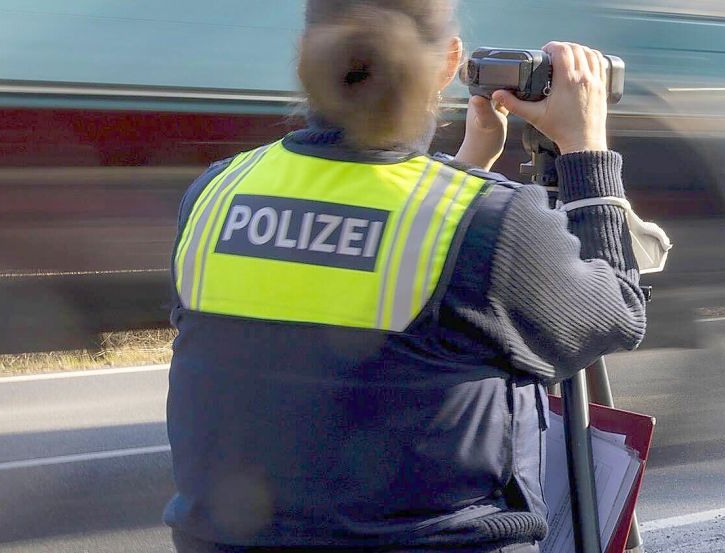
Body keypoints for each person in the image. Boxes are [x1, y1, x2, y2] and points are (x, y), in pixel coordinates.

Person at [163, 1, 647, 552]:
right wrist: (587, 149)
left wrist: (467, 167)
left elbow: (337, 324)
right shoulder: (486, 220)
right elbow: (618, 312)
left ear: (305, 58)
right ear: (449, 64)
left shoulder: (216, 192)